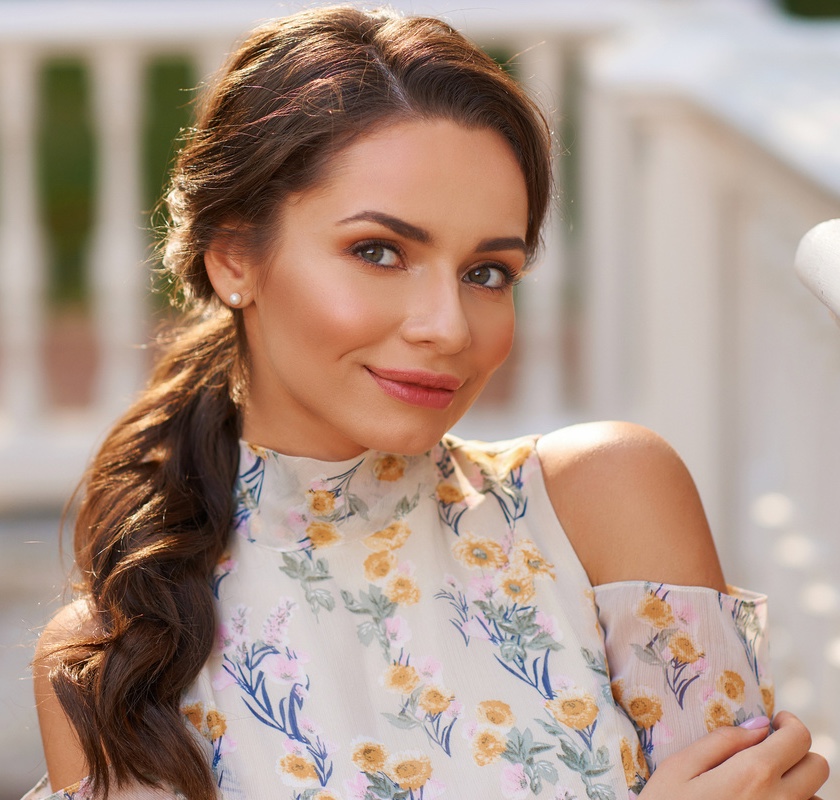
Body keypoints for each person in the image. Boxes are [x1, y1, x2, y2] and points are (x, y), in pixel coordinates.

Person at [26, 6, 829, 800]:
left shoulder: (604, 503)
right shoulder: (114, 660)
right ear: (234, 256)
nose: (447, 328)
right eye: (379, 252)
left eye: (488, 273)